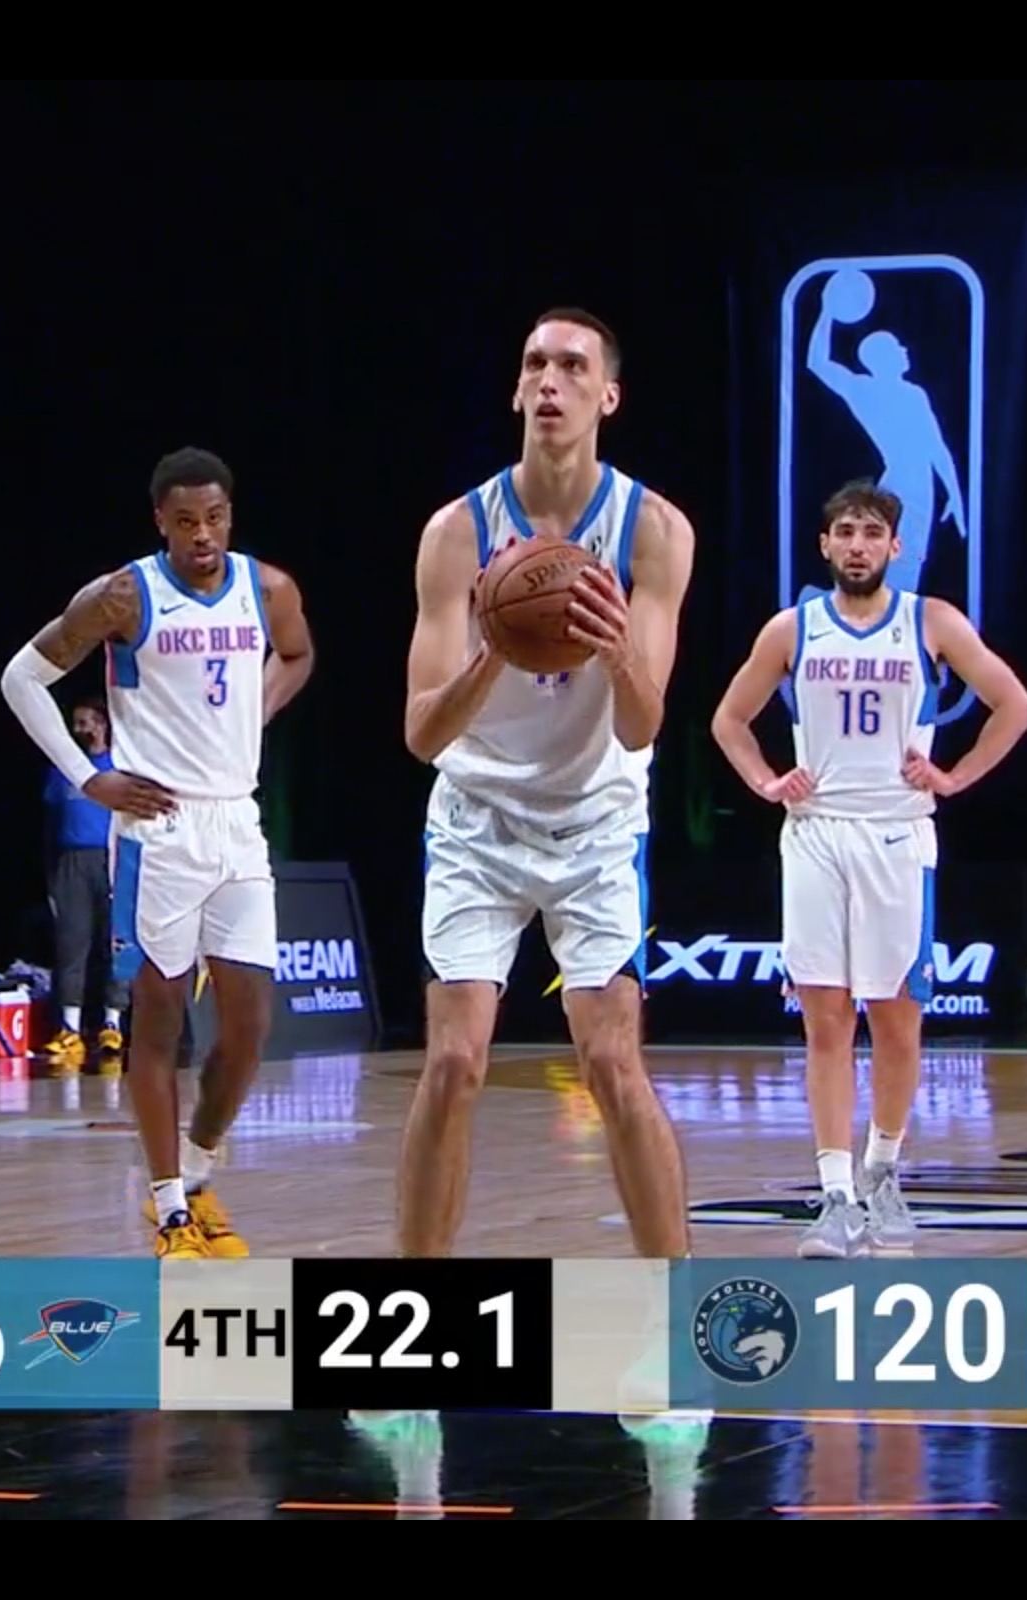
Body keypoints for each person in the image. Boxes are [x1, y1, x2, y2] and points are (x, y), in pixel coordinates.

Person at [398, 307, 695, 1259]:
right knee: (451, 1063)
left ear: (607, 395)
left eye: (572, 365)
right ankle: (411, 1336)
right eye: (535, 364)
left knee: (612, 1062)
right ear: (519, 391)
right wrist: (493, 652)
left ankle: (674, 1324)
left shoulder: (652, 529)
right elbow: (419, 732)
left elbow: (643, 722)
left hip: (597, 819)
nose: (551, 380)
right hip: (479, 817)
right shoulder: (457, 533)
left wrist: (612, 652)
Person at [0, 447, 315, 1260]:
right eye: (184, 522)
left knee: (248, 1026)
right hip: (157, 829)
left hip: (236, 824)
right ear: (159, 523)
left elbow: (298, 653)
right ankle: (169, 1206)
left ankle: (200, 1175)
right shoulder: (123, 595)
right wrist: (88, 777)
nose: (201, 535)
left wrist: (256, 717)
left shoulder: (268, 587)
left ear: (230, 516)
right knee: (161, 1023)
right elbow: (21, 680)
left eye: (213, 519)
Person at [710, 479, 1027, 1259]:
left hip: (895, 835)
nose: (857, 544)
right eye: (845, 532)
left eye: (871, 532)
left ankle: (883, 1171)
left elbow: (1014, 705)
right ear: (824, 546)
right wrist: (765, 781)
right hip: (817, 833)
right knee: (825, 1020)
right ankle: (833, 1197)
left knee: (896, 1021)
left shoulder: (931, 621)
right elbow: (728, 719)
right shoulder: (794, 628)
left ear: (895, 546)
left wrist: (955, 776)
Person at [43, 698, 129, 1072]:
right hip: (72, 861)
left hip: (111, 859)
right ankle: (70, 1028)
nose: (78, 730)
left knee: (115, 944)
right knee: (72, 944)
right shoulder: (64, 769)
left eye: (83, 723)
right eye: (74, 724)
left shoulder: (122, 768)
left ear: (101, 724)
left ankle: (112, 1024)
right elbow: (49, 821)